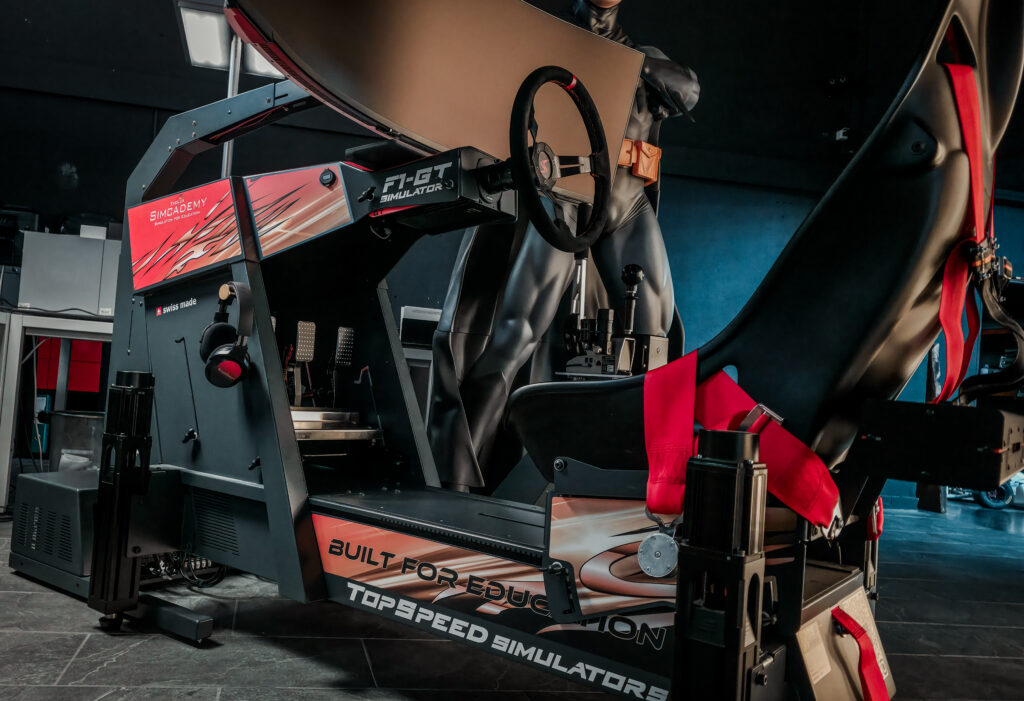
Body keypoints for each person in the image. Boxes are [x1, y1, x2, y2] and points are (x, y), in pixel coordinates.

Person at [428, 0, 700, 492]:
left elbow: (689, 91)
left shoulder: (642, 59)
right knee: (515, 335)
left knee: (653, 345)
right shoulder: (548, 49)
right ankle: (458, 481)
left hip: (626, 206)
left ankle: (657, 485)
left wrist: (627, 61)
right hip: (565, 200)